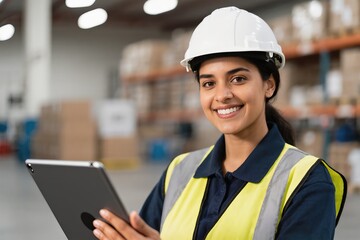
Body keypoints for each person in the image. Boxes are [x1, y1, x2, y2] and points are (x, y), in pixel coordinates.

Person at [93, 6, 347, 240]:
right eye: (208, 83)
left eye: (237, 79)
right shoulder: (179, 171)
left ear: (269, 84)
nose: (222, 95)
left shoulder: (307, 180)